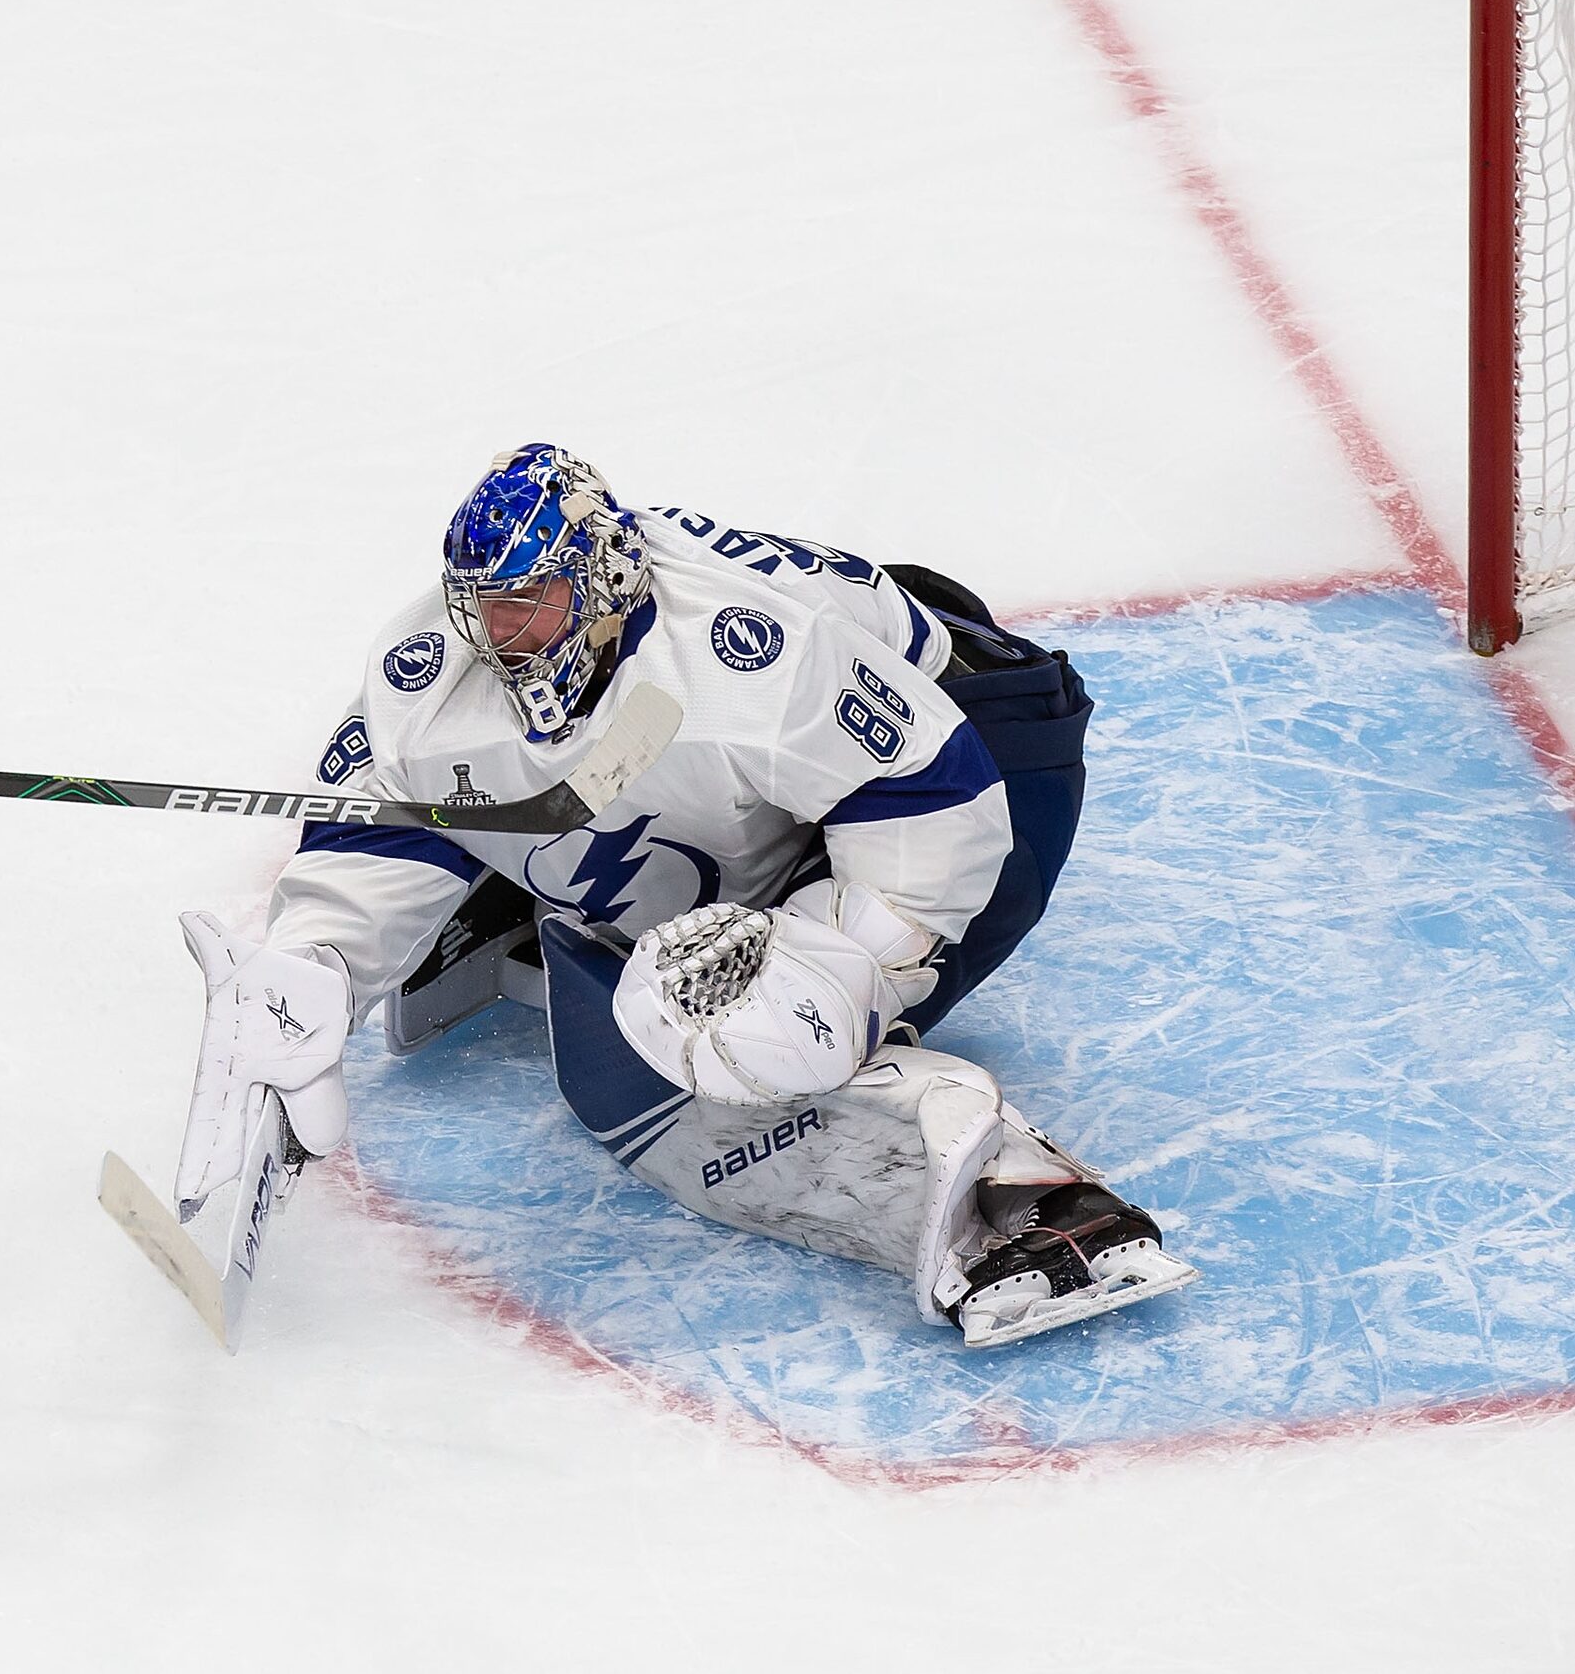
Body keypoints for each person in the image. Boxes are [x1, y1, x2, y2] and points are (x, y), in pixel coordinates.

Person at [168, 444, 1193, 1346]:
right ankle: (529, 879)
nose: (505, 636)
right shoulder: (435, 664)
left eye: (533, 604)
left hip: (980, 750)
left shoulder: (746, 661)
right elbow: (390, 804)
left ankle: (1022, 1203)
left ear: (603, 576)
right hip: (812, 769)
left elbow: (938, 793)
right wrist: (313, 958)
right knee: (607, 920)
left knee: (706, 1044)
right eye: (486, 608)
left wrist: (846, 965)